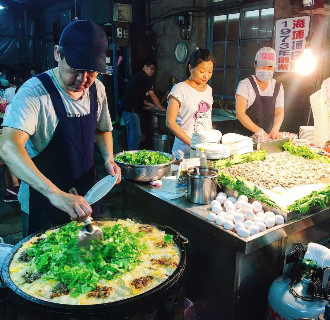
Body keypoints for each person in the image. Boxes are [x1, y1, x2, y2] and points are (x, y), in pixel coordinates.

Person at [0, 20, 121, 236]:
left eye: (91, 72)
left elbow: (102, 129)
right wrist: (54, 192)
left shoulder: (98, 89)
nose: (82, 80)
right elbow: (8, 147)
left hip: (87, 199)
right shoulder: (34, 92)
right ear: (58, 54)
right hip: (43, 202)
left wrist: (108, 158)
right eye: (75, 70)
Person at [166, 48, 214, 160]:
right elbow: (170, 122)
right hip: (183, 154)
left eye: (210, 71)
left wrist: (212, 141)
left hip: (204, 153)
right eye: (202, 71)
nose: (206, 76)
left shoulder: (209, 90)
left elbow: (208, 119)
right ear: (190, 68)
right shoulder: (179, 89)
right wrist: (192, 144)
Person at [235, 47, 284, 142]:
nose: (266, 69)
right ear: (255, 65)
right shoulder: (245, 84)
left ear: (274, 67)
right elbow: (240, 113)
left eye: (270, 66)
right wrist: (259, 132)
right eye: (262, 66)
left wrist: (275, 129)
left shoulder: (277, 86)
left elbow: (279, 112)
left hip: (268, 138)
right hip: (245, 139)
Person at [121, 58, 166, 150]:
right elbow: (153, 95)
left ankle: (129, 157)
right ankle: (132, 159)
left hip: (127, 110)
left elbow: (139, 98)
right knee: (136, 136)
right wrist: (161, 107)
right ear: (144, 66)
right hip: (132, 111)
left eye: (154, 69)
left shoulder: (137, 77)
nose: (152, 71)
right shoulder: (144, 77)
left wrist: (152, 105)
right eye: (151, 68)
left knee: (131, 135)